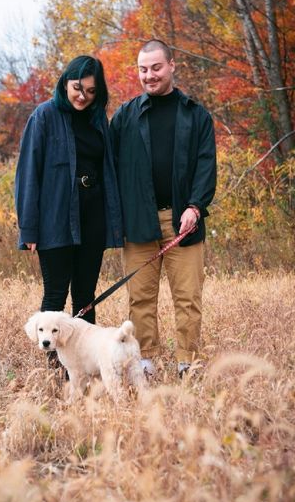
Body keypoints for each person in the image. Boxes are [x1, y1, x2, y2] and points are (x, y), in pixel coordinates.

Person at [110, 39, 216, 378]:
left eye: (156, 67)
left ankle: (188, 364)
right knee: (140, 300)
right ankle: (147, 364)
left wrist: (195, 207)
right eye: (143, 69)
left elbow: (205, 165)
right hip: (138, 222)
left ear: (172, 65)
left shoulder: (195, 114)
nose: (149, 75)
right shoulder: (125, 116)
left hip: (183, 221)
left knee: (187, 299)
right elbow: (108, 168)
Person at [15, 55, 123, 367]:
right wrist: (29, 228)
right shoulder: (44, 116)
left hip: (93, 219)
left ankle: (82, 367)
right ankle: (53, 367)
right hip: (55, 222)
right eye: (78, 88)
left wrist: (115, 223)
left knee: (85, 299)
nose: (82, 96)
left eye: (91, 91)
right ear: (66, 83)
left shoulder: (98, 120)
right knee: (55, 296)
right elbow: (28, 175)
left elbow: (110, 169)